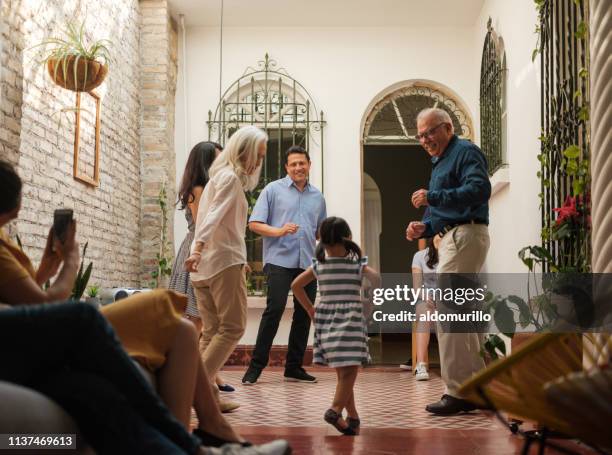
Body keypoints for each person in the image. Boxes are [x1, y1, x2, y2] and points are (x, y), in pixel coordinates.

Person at [0, 162, 290, 455]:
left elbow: (24, 303)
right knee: (91, 317)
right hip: (23, 347)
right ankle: (198, 446)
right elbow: (42, 310)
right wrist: (72, 261)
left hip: (27, 344)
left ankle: (210, 429)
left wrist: (48, 268)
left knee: (180, 328)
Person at [405, 107, 491, 415]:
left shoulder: (465, 151)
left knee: (448, 313)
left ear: (447, 127)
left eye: (430, 132)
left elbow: (480, 189)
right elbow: (443, 208)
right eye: (420, 135)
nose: (425, 139)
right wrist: (424, 226)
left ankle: (457, 392)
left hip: (465, 235)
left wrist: (433, 198)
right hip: (454, 235)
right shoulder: (439, 161)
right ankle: (478, 386)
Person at [185, 126, 268, 392]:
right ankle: (195, 388)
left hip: (206, 266)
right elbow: (213, 217)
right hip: (222, 262)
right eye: (259, 154)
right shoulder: (230, 178)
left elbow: (211, 218)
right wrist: (197, 248)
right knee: (233, 328)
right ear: (245, 151)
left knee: (211, 332)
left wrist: (197, 252)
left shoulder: (217, 177)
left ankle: (207, 396)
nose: (259, 162)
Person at [242, 146, 327, 386]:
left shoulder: (317, 197)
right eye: (293, 164)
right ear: (286, 168)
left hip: (308, 263)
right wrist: (279, 231)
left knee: (304, 314)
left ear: (309, 165)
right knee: (274, 310)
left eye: (302, 163)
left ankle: (294, 367)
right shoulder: (272, 190)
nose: (298, 167)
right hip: (279, 260)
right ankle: (255, 367)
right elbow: (255, 224)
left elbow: (319, 231)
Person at [291, 217, 380, 436]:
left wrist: (311, 310)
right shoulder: (356, 264)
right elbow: (377, 279)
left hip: (326, 321)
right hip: (351, 321)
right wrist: (368, 303)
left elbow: (296, 286)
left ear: (322, 240)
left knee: (344, 371)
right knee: (350, 371)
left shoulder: (319, 265)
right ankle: (334, 410)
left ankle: (353, 417)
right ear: (347, 238)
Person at [170, 141, 235, 394]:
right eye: (217, 159)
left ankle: (211, 375)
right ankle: (194, 377)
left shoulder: (206, 188)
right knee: (198, 322)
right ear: (206, 162)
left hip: (205, 251)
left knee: (207, 324)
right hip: (198, 252)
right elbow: (201, 225)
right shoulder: (198, 189)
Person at [402, 235, 440, 381]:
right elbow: (417, 287)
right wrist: (426, 297)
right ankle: (421, 364)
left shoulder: (450, 255)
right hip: (424, 298)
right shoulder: (419, 256)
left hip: (445, 299)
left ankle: (451, 363)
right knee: (426, 313)